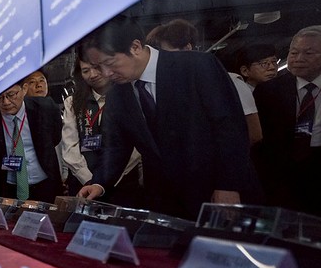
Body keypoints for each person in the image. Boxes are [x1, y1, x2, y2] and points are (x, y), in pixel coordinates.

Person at [78, 16, 255, 220]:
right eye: (99, 66)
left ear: (135, 47)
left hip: (216, 192)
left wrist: (228, 185)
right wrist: (99, 183)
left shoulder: (196, 66)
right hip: (165, 203)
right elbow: (116, 147)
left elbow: (230, 128)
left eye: (109, 63)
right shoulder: (118, 94)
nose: (106, 73)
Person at [147, 19, 263, 145]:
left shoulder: (230, 82)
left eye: (166, 55)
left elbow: (254, 134)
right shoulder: (169, 89)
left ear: (187, 48)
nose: (162, 62)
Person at [253, 26, 321, 215]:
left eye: (308, 53)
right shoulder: (268, 91)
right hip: (281, 179)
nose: (298, 58)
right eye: (294, 52)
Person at [61, 51, 143, 205]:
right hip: (83, 183)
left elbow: (134, 148)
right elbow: (69, 146)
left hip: (122, 181)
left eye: (97, 68)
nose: (92, 75)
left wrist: (107, 179)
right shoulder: (73, 102)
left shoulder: (128, 97)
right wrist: (90, 181)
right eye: (86, 71)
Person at [0, 79, 63, 202]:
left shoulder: (45, 108)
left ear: (24, 89)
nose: (6, 102)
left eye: (11, 95)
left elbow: (55, 138)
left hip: (45, 184)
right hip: (7, 188)